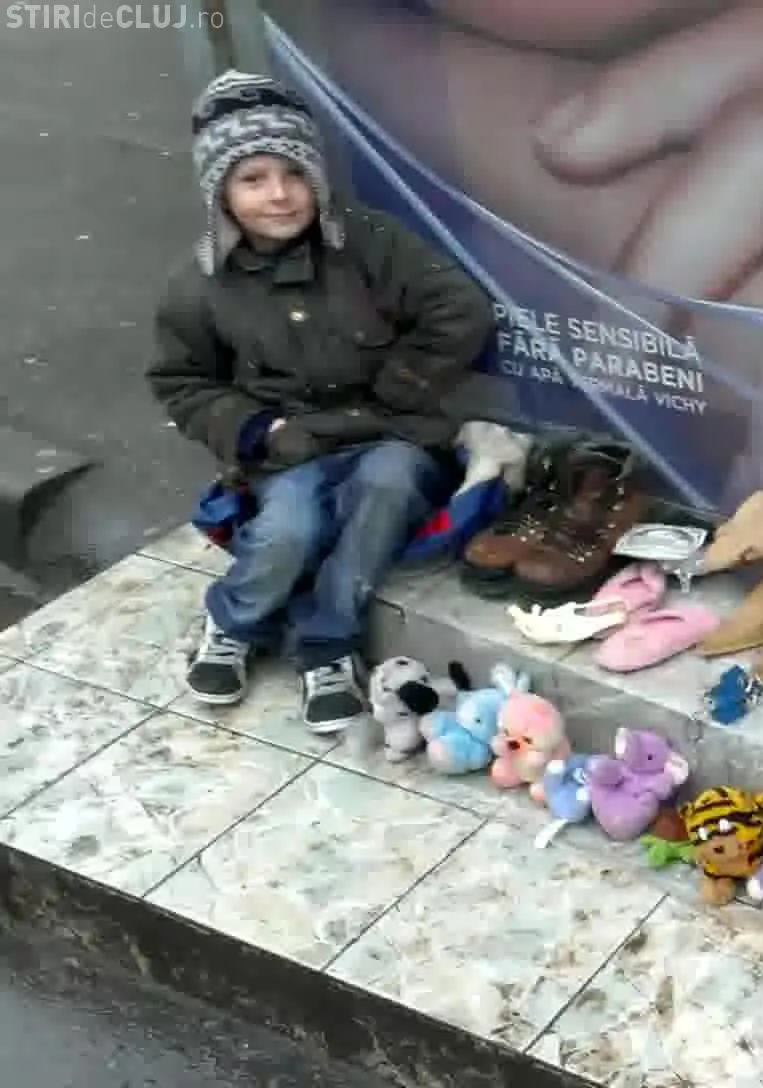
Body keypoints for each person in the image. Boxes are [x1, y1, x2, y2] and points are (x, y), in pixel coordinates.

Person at [148, 71, 493, 731]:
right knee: (292, 527)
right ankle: (236, 621)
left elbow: (459, 309)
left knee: (388, 488)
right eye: (253, 179)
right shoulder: (199, 285)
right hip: (292, 447)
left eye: (294, 173)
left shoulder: (371, 244)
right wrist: (257, 429)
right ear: (220, 191)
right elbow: (182, 382)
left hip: (388, 433)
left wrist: (401, 385)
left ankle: (327, 641)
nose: (279, 194)